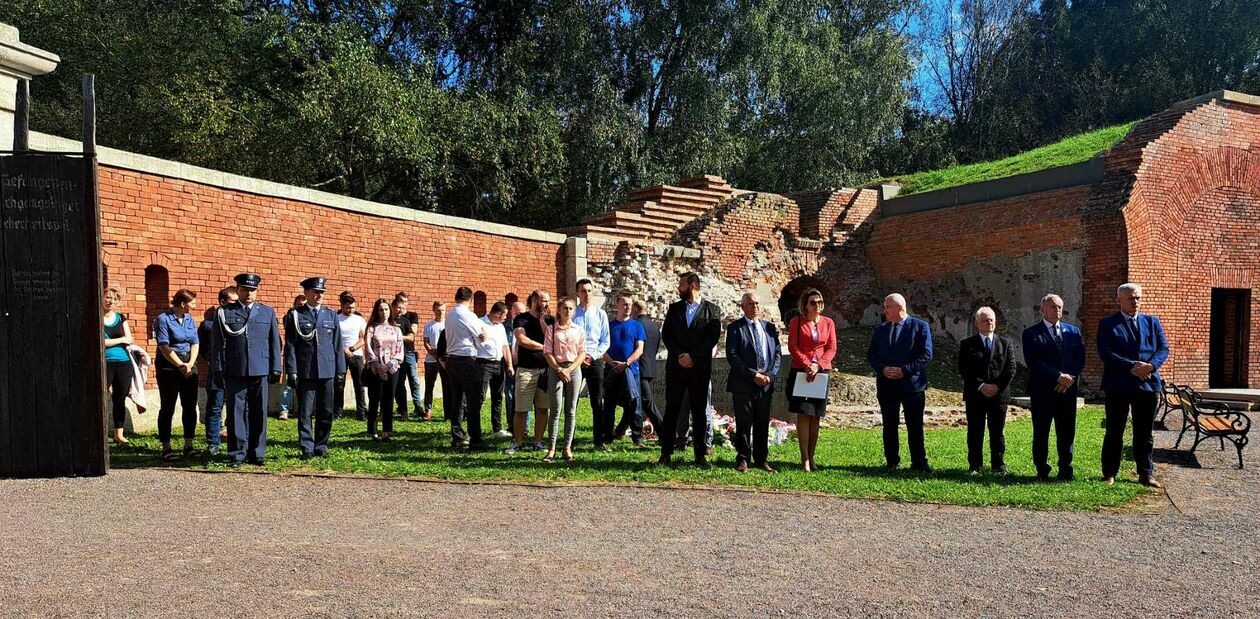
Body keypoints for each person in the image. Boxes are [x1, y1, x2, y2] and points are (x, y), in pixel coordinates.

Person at [1098, 283, 1169, 488]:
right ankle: (1109, 473)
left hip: (1147, 384)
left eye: (1138, 298)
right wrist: (1132, 367)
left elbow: (1163, 348)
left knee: (1144, 432)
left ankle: (1146, 474)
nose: (1135, 302)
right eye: (1130, 298)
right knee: (1115, 430)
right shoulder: (1108, 324)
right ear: (1118, 300)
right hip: (1118, 384)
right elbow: (1106, 352)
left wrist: (1150, 366)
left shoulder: (1152, 322)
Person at [212, 273, 282, 467]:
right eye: (245, 289)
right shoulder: (224, 312)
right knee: (236, 413)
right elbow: (216, 344)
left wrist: (276, 367)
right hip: (235, 369)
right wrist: (217, 368)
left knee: (259, 412)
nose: (249, 293)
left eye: (252, 290)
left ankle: (257, 452)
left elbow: (274, 342)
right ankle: (237, 453)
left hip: (261, 368)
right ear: (238, 290)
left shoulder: (267, 312)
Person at [658, 272, 722, 468]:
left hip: (699, 368)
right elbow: (667, 335)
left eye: (682, 285)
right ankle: (666, 453)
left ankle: (700, 455)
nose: (679, 289)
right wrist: (680, 355)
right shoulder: (674, 308)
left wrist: (693, 356)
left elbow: (712, 338)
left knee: (699, 412)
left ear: (693, 285)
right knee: (672, 410)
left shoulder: (712, 310)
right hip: (676, 367)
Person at [867, 293, 934, 472]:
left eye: (887, 307)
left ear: (899, 307)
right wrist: (883, 369)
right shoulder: (881, 329)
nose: (885, 311)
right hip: (887, 385)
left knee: (914, 425)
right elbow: (872, 354)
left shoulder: (920, 326)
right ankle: (891, 461)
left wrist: (905, 370)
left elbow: (926, 354)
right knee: (889, 424)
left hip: (912, 385)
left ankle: (919, 463)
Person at [1022, 293, 1085, 481]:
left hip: (1067, 390)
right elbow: (1033, 362)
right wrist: (1058, 377)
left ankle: (1065, 468)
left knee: (1066, 431)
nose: (1056, 310)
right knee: (1041, 431)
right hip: (1043, 391)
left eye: (1059, 307)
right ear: (1042, 309)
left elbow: (1079, 358)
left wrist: (1069, 379)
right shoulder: (1031, 333)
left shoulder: (1073, 332)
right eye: (1052, 306)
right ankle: (1042, 468)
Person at [284, 277, 346, 460]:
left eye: (321, 292)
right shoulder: (296, 315)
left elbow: (337, 344)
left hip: (327, 369)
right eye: (315, 292)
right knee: (305, 411)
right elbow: (290, 345)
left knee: (326, 410)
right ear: (306, 292)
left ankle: (321, 445)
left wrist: (340, 370)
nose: (319, 295)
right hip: (306, 369)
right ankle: (307, 447)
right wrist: (292, 370)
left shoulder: (330, 315)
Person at [727, 291, 783, 472]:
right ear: (743, 306)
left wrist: (770, 376)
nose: (755, 307)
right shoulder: (735, 328)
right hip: (744, 383)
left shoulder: (769, 328)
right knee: (744, 423)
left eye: (757, 303)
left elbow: (777, 354)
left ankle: (761, 459)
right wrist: (753, 375)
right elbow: (733, 356)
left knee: (762, 422)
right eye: (750, 304)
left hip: (765, 384)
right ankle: (743, 459)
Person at [958, 307, 1016, 476]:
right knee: (975, 431)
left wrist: (996, 386)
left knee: (997, 432)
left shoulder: (1005, 343)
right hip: (976, 395)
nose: (989, 323)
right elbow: (964, 369)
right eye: (985, 320)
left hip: (999, 395)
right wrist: (981, 385)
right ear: (977, 324)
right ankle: (975, 466)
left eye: (991, 320)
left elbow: (1010, 368)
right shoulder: (967, 344)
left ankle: (998, 466)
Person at [786, 289, 836, 472]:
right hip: (802, 372)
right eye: (813, 302)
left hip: (821, 373)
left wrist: (818, 365)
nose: (817, 305)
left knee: (815, 416)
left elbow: (831, 347)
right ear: (805, 305)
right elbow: (793, 346)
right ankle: (804, 458)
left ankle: (812, 457)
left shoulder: (828, 322)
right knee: (803, 415)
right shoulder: (797, 322)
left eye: (820, 302)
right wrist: (808, 364)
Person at [153, 288, 201, 460]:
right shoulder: (163, 319)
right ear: (182, 303)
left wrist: (190, 364)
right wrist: (180, 365)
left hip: (188, 362)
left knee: (190, 405)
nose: (194, 306)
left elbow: (195, 343)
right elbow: (164, 346)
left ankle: (189, 445)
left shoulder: (189, 319)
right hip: (169, 364)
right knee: (168, 406)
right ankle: (166, 447)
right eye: (192, 303)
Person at [444, 286, 490, 451]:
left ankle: (457, 436)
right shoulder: (468, 315)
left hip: (452, 359)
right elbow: (481, 336)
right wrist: (483, 335)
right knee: (473, 400)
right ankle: (475, 439)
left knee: (457, 399)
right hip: (466, 359)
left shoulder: (449, 315)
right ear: (471, 299)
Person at [543, 296, 585, 462]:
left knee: (571, 410)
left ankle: (567, 447)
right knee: (555, 410)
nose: (568, 311)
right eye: (565, 308)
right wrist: (560, 369)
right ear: (559, 310)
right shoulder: (551, 329)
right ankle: (551, 448)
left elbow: (582, 352)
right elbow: (547, 352)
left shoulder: (578, 329)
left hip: (573, 369)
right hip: (556, 369)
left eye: (570, 308)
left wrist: (569, 369)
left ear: (574, 311)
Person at [602, 295, 647, 449]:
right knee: (609, 404)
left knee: (635, 404)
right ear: (617, 306)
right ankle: (607, 436)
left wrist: (626, 363)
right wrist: (612, 363)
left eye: (630, 305)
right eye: (625, 304)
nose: (628, 307)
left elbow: (640, 348)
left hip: (631, 370)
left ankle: (637, 437)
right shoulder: (609, 326)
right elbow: (602, 348)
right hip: (612, 369)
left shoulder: (637, 326)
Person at [511, 290, 553, 453]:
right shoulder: (522, 318)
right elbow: (522, 339)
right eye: (544, 300)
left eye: (548, 300)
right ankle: (518, 442)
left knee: (543, 409)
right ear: (534, 300)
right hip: (526, 370)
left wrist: (543, 322)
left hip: (545, 371)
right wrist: (544, 347)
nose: (547, 304)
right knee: (521, 410)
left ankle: (538, 441)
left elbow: (553, 340)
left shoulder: (550, 320)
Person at [198, 286, 238, 455]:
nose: (236, 305)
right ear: (222, 302)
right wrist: (213, 361)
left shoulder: (240, 321)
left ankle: (235, 440)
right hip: (217, 371)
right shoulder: (208, 324)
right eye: (233, 302)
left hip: (236, 371)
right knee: (215, 406)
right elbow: (202, 348)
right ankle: (213, 443)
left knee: (236, 407)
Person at [574, 279, 611, 447]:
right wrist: (579, 357)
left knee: (597, 402)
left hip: (594, 361)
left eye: (589, 291)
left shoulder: (600, 314)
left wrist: (592, 356)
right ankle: (569, 439)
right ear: (577, 293)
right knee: (572, 401)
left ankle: (598, 440)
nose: (586, 294)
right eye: (583, 291)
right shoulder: (572, 313)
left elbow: (605, 341)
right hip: (575, 361)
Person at [363, 298, 404, 441]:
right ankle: (373, 431)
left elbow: (400, 349)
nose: (384, 312)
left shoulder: (396, 329)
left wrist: (389, 366)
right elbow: (368, 348)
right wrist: (377, 366)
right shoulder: (372, 328)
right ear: (377, 311)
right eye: (381, 309)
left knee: (388, 401)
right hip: (375, 368)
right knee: (374, 399)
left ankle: (386, 431)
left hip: (392, 369)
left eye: (386, 309)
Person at [103, 286, 135, 445]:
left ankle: (118, 434)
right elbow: (101, 342)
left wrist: (113, 341)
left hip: (124, 363)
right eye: (108, 297)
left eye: (114, 299)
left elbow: (129, 339)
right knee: (101, 397)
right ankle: (100, 432)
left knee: (120, 398)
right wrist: (120, 339)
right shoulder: (96, 317)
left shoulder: (121, 318)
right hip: (105, 363)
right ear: (102, 298)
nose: (111, 301)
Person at [478, 301, 515, 438]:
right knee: (479, 397)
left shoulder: (500, 327)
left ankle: (497, 428)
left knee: (498, 397)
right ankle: (474, 430)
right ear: (498, 313)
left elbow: (505, 347)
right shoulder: (480, 323)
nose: (506, 318)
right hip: (483, 364)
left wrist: (509, 365)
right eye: (504, 315)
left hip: (498, 364)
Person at [628, 299, 664, 438]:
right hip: (650, 367)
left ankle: (664, 432)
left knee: (646, 402)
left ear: (636, 310)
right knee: (632, 401)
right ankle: (620, 431)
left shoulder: (635, 325)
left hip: (638, 367)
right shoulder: (654, 326)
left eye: (632, 309)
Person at [335, 292, 367, 421]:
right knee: (339, 384)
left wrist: (352, 348)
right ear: (342, 306)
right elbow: (333, 338)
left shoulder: (359, 319)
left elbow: (363, 338)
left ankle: (361, 412)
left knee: (359, 385)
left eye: (353, 307)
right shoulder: (336, 318)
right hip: (340, 355)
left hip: (356, 355)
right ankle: (338, 412)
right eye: (348, 307)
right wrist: (343, 350)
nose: (351, 310)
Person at [391, 292, 422, 421]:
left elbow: (412, 333)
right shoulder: (388, 319)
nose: (402, 306)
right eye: (400, 303)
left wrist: (397, 336)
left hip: (407, 353)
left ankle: (417, 406)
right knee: (397, 383)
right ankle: (399, 408)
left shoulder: (409, 317)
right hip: (390, 356)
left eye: (405, 302)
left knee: (413, 380)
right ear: (394, 304)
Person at [278, 294, 306, 421]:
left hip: (304, 356)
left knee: (304, 384)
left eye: (304, 305)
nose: (301, 307)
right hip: (291, 354)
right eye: (299, 305)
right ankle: (284, 410)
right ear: (294, 305)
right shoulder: (289, 316)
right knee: (288, 384)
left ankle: (302, 408)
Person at [421, 301, 447, 420]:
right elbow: (426, 343)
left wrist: (442, 353)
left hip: (445, 360)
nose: (440, 312)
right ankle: (428, 410)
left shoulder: (448, 325)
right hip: (430, 360)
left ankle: (448, 411)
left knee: (447, 386)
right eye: (438, 310)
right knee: (429, 386)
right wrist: (434, 351)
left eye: (442, 310)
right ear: (434, 310)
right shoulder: (429, 325)